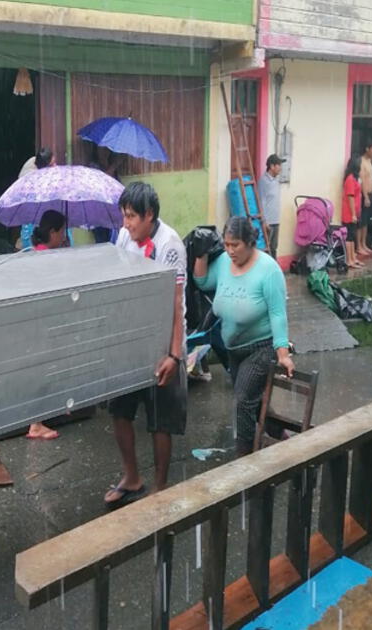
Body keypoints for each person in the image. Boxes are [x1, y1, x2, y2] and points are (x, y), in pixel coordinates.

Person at [104, 182, 188, 509]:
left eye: (131, 217)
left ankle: (160, 486)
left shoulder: (171, 245)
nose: (125, 224)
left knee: (160, 419)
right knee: (120, 411)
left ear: (149, 215)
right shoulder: (125, 237)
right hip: (131, 337)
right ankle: (131, 477)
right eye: (123, 216)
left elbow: (176, 304)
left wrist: (173, 356)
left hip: (162, 340)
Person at [193, 216, 293, 456]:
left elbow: (278, 314)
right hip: (234, 348)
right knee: (253, 400)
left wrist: (283, 353)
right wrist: (201, 253)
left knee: (242, 400)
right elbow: (202, 281)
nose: (229, 251)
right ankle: (282, 436)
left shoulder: (268, 270)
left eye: (235, 245)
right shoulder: (223, 264)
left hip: (261, 346)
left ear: (250, 242)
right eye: (226, 244)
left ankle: (245, 460)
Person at [25, 210, 69, 441]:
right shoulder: (49, 258)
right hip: (44, 323)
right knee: (43, 370)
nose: (63, 236)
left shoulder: (36, 253)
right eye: (61, 231)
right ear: (52, 232)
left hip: (33, 321)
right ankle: (36, 424)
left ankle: (42, 416)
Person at [19, 149, 72, 249]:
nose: (56, 167)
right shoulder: (32, 188)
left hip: (52, 231)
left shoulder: (57, 184)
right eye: (52, 164)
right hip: (41, 232)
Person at [258, 154, 285, 260]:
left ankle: (274, 272)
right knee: (266, 249)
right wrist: (264, 221)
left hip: (276, 220)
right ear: (272, 166)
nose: (280, 168)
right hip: (268, 222)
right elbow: (261, 201)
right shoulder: (264, 181)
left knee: (274, 248)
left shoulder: (276, 181)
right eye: (279, 165)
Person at [341, 158, 365, 268]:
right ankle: (349, 260)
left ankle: (353, 258)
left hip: (355, 211)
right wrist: (353, 214)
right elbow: (350, 197)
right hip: (349, 212)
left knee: (353, 235)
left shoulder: (355, 179)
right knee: (349, 236)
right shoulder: (350, 179)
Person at [357, 141, 372, 255]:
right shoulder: (361, 161)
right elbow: (362, 181)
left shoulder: (370, 161)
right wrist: (365, 196)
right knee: (361, 221)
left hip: (370, 193)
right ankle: (358, 246)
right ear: (367, 149)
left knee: (366, 222)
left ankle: (364, 244)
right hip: (363, 194)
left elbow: (371, 179)